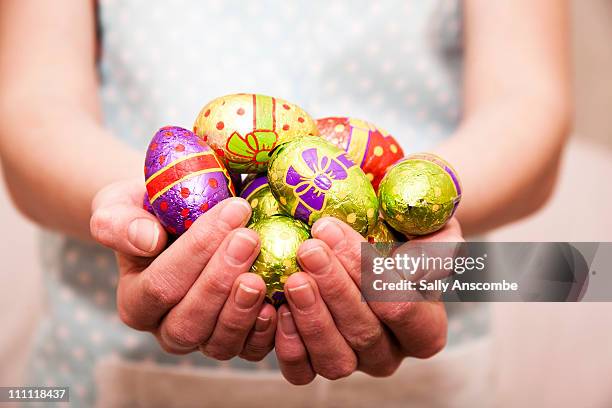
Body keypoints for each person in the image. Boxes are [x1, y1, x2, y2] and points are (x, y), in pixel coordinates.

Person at [0, 0, 571, 406]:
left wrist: (413, 216)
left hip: (420, 321)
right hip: (107, 344)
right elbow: (33, 107)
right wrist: (147, 208)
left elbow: (527, 104)